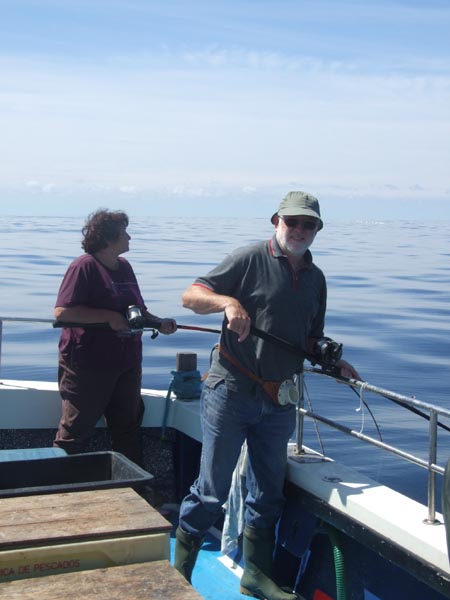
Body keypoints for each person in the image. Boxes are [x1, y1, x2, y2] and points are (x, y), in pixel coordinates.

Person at [174, 191, 360, 600]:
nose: (299, 230)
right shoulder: (248, 258)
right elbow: (190, 296)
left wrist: (332, 361)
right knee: (211, 491)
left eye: (308, 224)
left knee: (268, 493)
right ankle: (179, 573)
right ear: (276, 220)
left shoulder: (316, 278)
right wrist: (227, 302)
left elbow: (309, 339)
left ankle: (255, 574)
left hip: (280, 401)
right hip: (231, 393)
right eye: (292, 221)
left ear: (317, 230)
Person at [53, 209, 177, 465]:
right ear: (109, 238)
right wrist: (108, 317)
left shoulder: (125, 267)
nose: (129, 238)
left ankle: (135, 489)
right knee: (75, 431)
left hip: (127, 363)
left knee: (128, 428)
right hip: (88, 366)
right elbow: (63, 312)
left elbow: (137, 310)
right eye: (124, 233)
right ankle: (55, 489)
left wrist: (158, 322)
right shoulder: (83, 266)